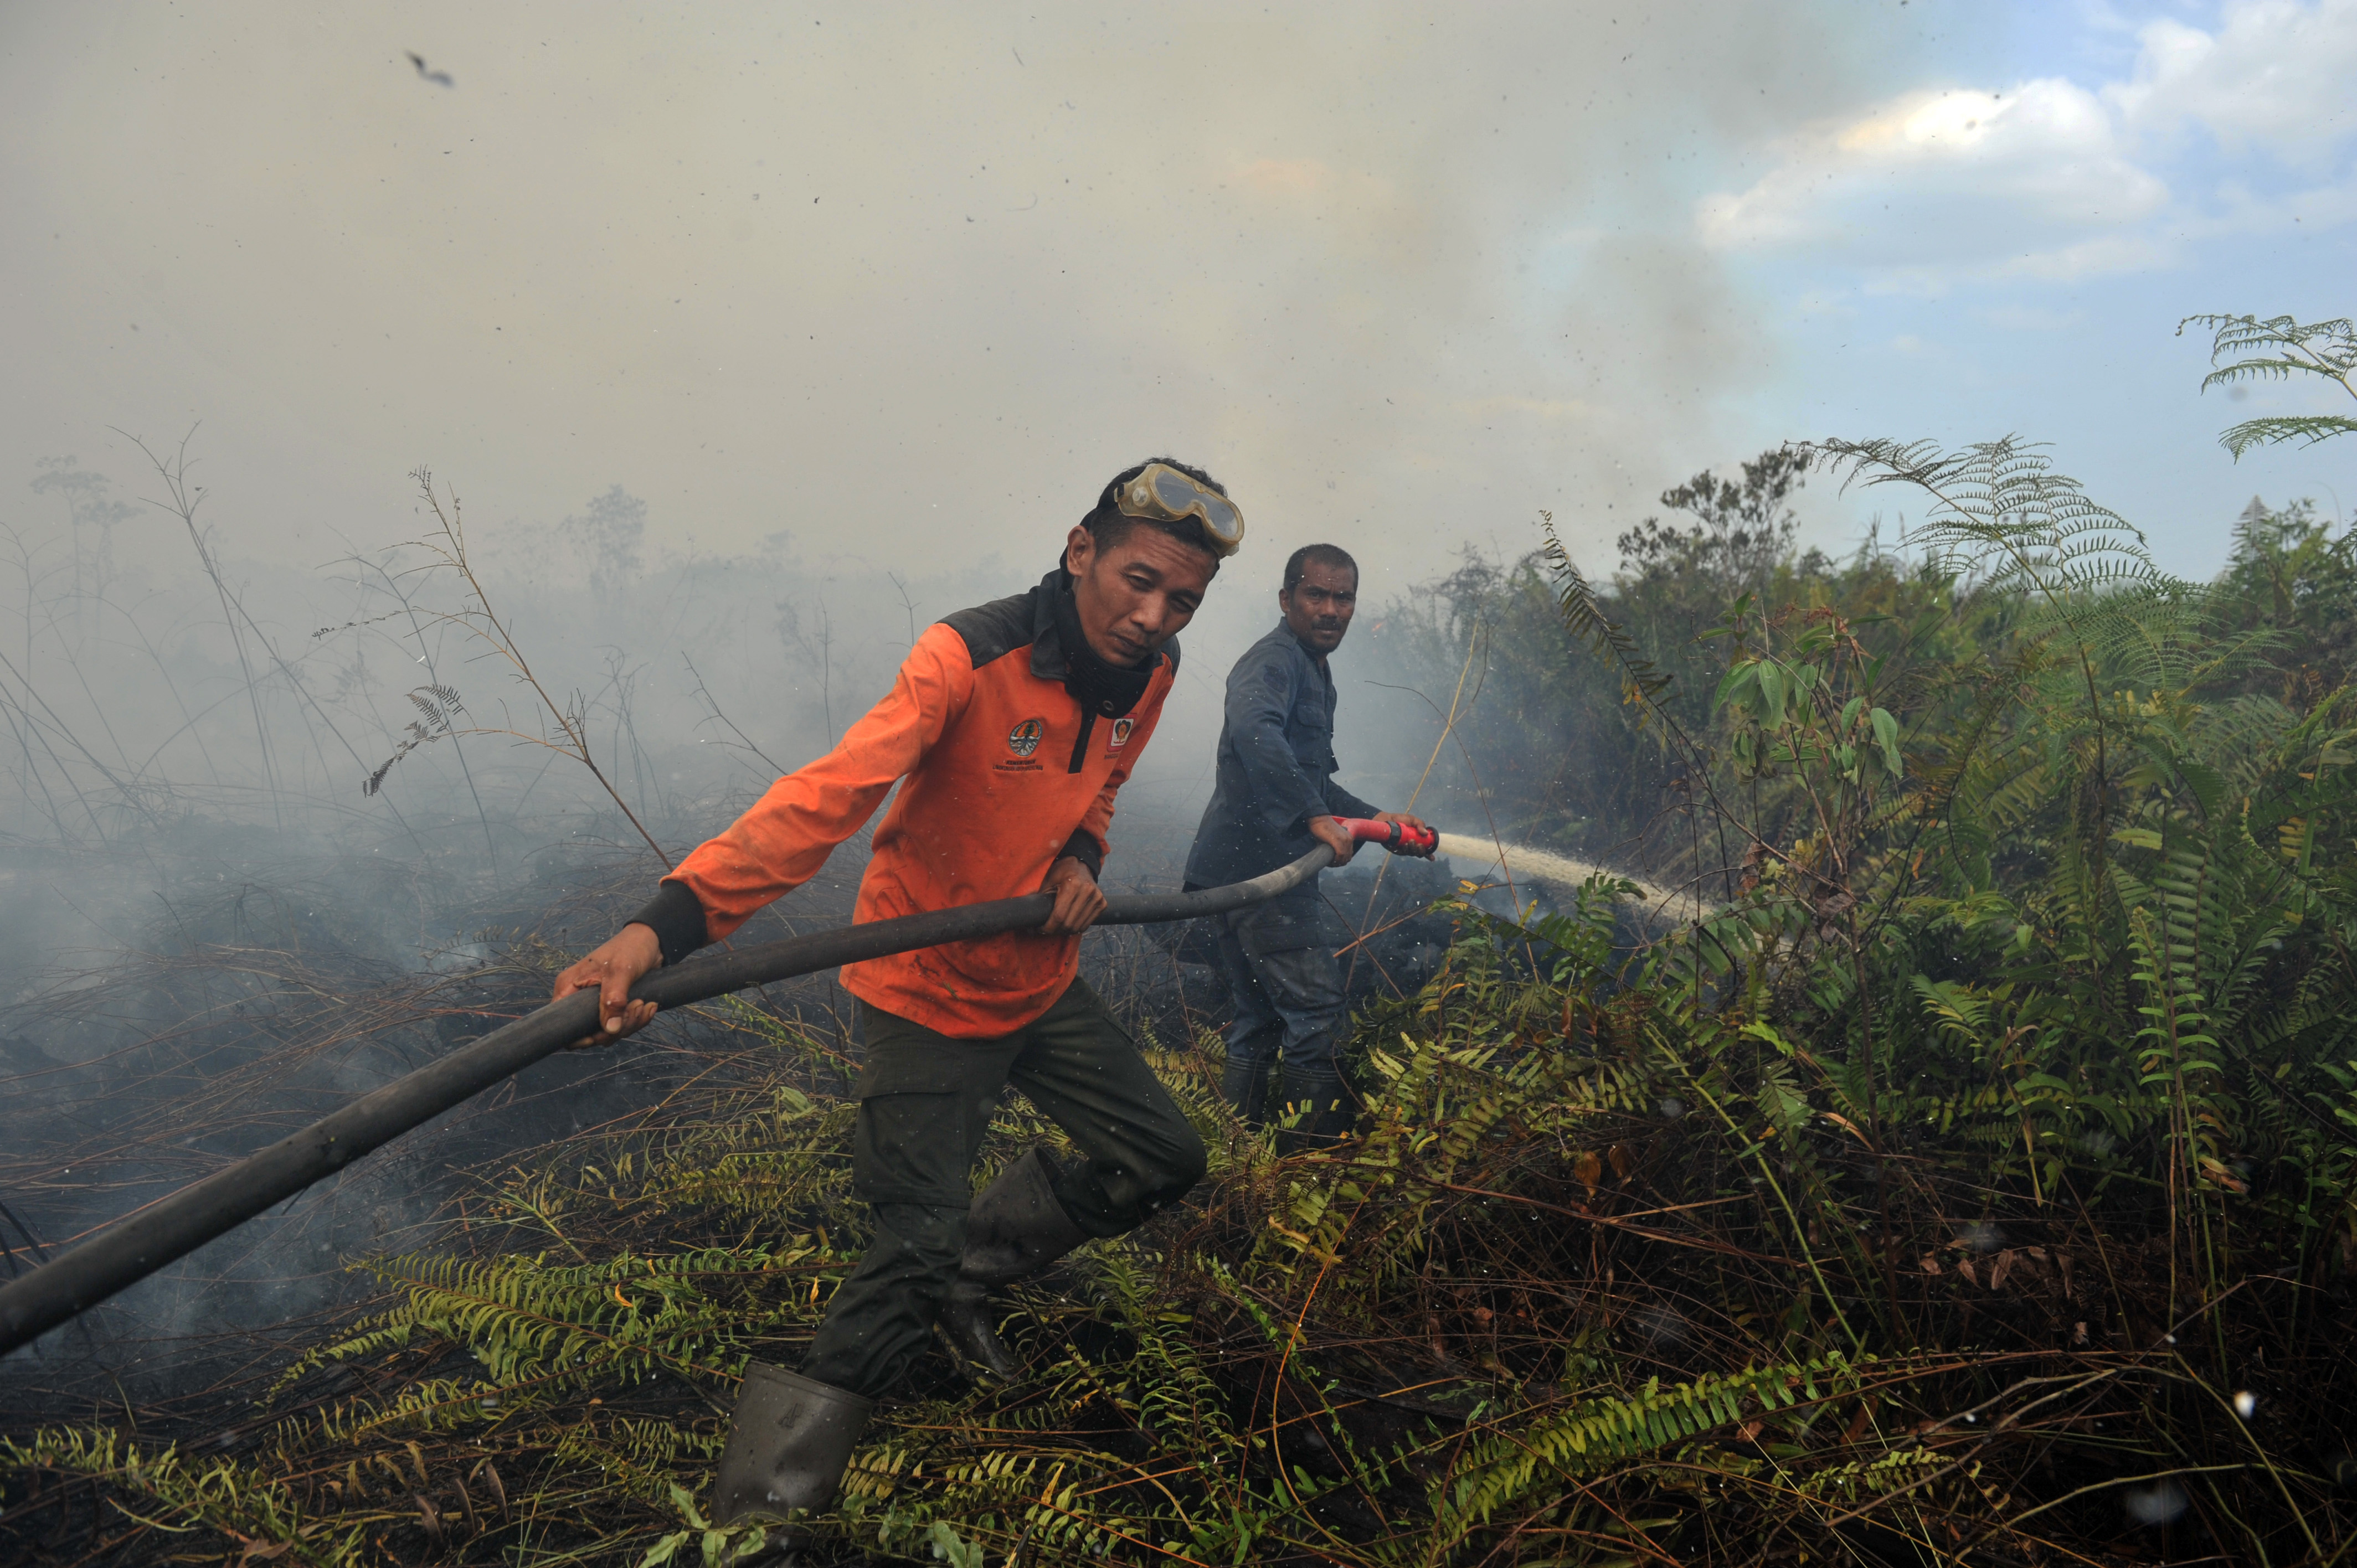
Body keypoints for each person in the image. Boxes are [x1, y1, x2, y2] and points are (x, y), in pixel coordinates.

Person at [549, 459, 1244, 1546]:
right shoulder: (966, 657)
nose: (1153, 618)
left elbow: (1099, 783)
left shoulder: (1149, 674)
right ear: (1080, 552)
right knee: (905, 1251)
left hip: (1035, 979)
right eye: (1138, 582)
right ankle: (757, 1520)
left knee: (1164, 1156)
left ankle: (973, 1273)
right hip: (924, 988)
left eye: (1182, 602)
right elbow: (825, 800)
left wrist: (1080, 853)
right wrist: (659, 928)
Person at [1182, 543, 1427, 1151]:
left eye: (1343, 598)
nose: (1331, 610)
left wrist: (1376, 821)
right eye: (1316, 594)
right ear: (1286, 599)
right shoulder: (1274, 662)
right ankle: (1307, 1171)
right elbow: (1255, 732)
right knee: (1316, 1016)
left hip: (1236, 870)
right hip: (1266, 876)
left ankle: (1237, 1162)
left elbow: (1310, 777)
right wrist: (1315, 816)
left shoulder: (1311, 668)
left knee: (1258, 1019)